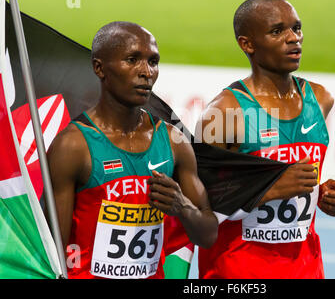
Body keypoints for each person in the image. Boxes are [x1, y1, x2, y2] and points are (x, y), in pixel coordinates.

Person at [47, 21, 218, 279]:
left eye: (153, 61)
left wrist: (183, 207)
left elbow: (208, 235)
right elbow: (51, 255)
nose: (146, 72)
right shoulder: (73, 146)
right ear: (99, 68)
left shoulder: (174, 142)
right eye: (132, 59)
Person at [196, 0, 335, 279]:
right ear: (247, 44)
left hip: (306, 268)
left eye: (297, 28)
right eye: (278, 31)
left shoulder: (320, 99)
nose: (294, 38)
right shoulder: (225, 113)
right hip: (238, 271)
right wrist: (271, 189)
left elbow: (300, 180)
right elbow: (197, 210)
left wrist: (320, 193)